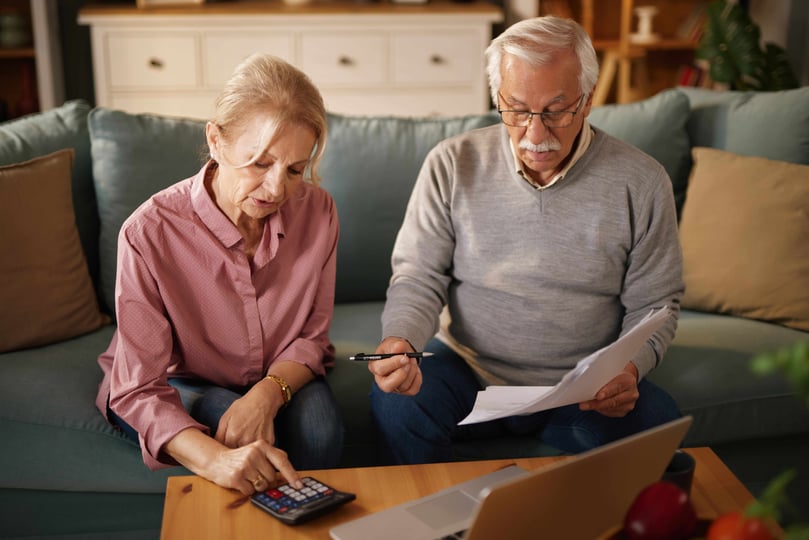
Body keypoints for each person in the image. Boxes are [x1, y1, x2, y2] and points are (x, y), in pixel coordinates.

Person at [368, 16, 684, 464]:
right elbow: (418, 275)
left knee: (660, 429)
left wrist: (630, 368)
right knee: (398, 406)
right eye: (516, 110)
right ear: (497, 98)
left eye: (556, 110)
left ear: (589, 100)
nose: (535, 135)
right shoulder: (452, 164)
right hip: (466, 369)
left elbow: (657, 305)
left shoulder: (642, 181)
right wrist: (401, 339)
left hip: (582, 383)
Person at [95, 53, 343, 494]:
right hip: (180, 376)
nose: (276, 190)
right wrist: (217, 462)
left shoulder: (318, 211)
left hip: (276, 370)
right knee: (230, 423)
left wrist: (266, 395)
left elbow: (312, 337)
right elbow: (136, 390)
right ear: (215, 140)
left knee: (321, 430)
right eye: (260, 163)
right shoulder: (148, 232)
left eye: (294, 170)